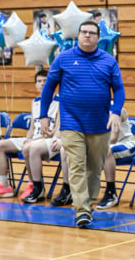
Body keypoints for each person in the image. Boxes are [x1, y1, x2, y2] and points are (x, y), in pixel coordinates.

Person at [40, 20, 125, 228]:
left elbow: (119, 89)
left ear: (98, 38)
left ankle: (88, 203)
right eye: (83, 32)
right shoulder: (63, 58)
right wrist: (43, 115)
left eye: (91, 33)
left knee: (94, 168)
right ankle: (82, 211)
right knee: (76, 165)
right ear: (78, 35)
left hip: (100, 124)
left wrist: (115, 112)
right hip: (71, 122)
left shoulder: (108, 61)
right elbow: (49, 88)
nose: (87, 35)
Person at [0, 69, 62, 204]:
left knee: (28, 147)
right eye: (39, 81)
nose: (42, 83)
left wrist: (53, 135)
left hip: (48, 140)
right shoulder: (35, 101)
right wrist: (27, 138)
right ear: (35, 84)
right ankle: (4, 186)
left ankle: (33, 185)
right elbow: (32, 127)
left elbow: (59, 126)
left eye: (45, 81)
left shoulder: (60, 101)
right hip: (34, 138)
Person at [96, 106, 135, 209]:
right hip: (105, 144)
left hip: (126, 144)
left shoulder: (116, 109)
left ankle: (111, 193)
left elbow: (113, 138)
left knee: (105, 150)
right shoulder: (91, 108)